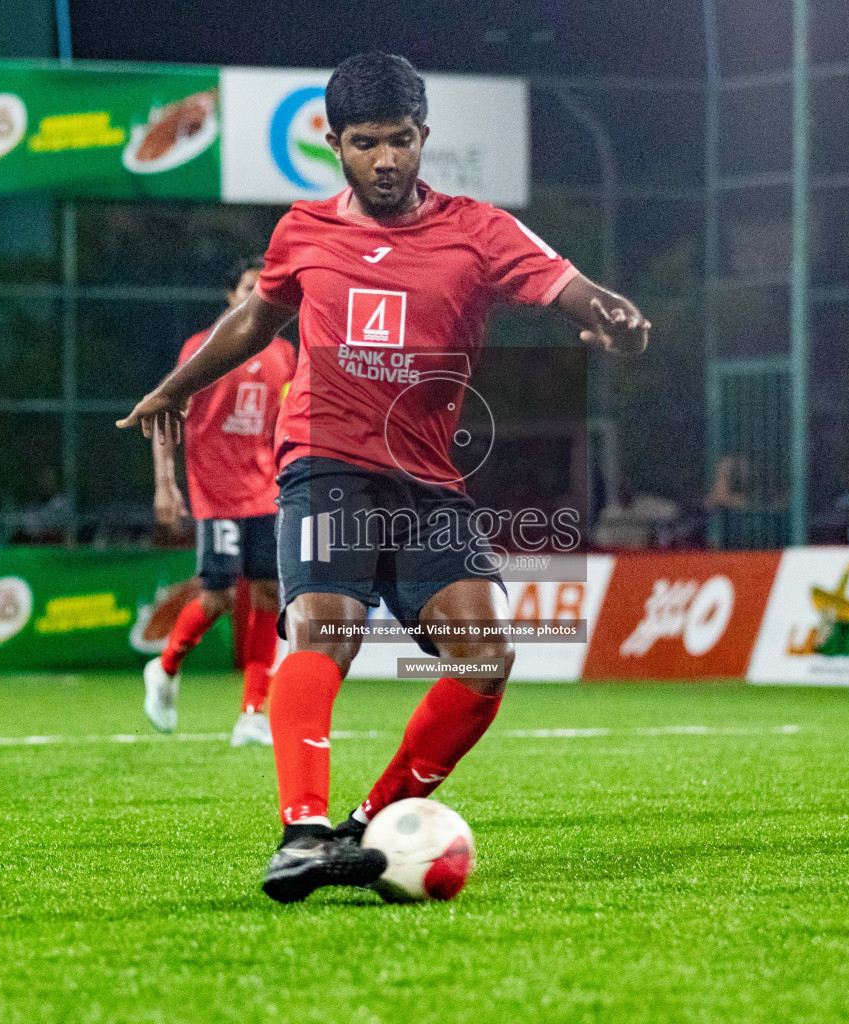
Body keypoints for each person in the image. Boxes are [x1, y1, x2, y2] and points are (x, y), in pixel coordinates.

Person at [118, 51, 649, 901]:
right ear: (335, 143)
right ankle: (301, 835)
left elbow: (573, 290)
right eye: (366, 143)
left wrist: (618, 323)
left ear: (424, 135)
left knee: (486, 658)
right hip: (325, 462)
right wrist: (175, 390)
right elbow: (258, 317)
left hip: (429, 481)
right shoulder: (302, 229)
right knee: (325, 629)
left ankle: (369, 831)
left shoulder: (480, 230)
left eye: (401, 140)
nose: (388, 159)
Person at [142, 256, 296, 747]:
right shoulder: (202, 349)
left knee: (271, 598)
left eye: (265, 288)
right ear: (230, 297)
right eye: (249, 287)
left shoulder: (284, 354)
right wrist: (165, 485)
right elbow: (166, 412)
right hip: (216, 492)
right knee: (219, 597)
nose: (258, 296)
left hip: (266, 493)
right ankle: (164, 669)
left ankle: (252, 714)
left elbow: (290, 421)